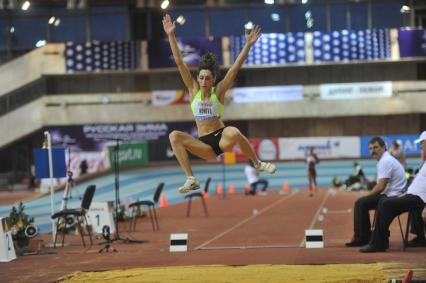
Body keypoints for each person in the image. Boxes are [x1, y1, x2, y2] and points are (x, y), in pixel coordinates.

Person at [162, 14, 276, 194]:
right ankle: (191, 179)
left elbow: (235, 67)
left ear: (213, 79)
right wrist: (170, 35)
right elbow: (179, 62)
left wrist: (247, 45)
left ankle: (258, 163)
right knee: (174, 136)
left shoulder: (219, 91)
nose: (203, 81)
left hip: (221, 138)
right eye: (201, 77)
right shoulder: (193, 90)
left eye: (207, 78)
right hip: (205, 145)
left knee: (234, 131)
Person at [359, 131, 426, 252]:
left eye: (422, 143)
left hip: (419, 198)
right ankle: (381, 240)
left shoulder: (386, 160)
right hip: (412, 194)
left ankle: (378, 243)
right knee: (384, 201)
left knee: (385, 203)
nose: (421, 147)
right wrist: (406, 192)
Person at [345, 136, 406, 247]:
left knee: (360, 203)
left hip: (392, 196)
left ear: (383, 147)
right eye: (370, 148)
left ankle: (362, 238)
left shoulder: (385, 161)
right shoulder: (385, 159)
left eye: (376, 147)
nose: (373, 150)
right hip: (394, 194)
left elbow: (380, 187)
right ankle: (366, 237)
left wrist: (367, 195)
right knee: (363, 202)